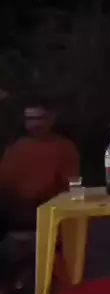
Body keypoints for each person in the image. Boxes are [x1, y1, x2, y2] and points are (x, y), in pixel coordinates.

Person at [0, 99, 79, 238]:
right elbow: (5, 186)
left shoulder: (64, 147)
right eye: (30, 119)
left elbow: (70, 187)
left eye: (40, 118)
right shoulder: (13, 149)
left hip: (51, 209)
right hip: (14, 213)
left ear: (52, 119)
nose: (35, 124)